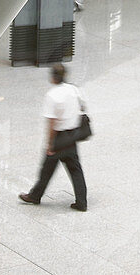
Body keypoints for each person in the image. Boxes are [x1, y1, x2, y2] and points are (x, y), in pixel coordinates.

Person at [19, 63, 88, 211]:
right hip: (73, 136)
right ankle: (82, 202)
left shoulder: (52, 96)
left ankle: (35, 196)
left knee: (46, 170)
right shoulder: (73, 89)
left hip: (59, 138)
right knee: (76, 170)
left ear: (53, 77)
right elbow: (82, 108)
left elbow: (51, 123)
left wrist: (50, 145)